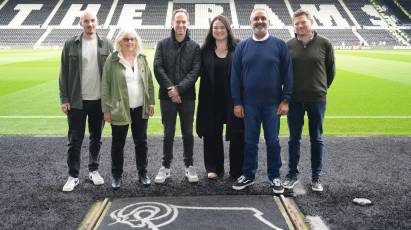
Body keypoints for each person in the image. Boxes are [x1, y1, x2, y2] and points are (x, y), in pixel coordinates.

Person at [230, 8, 293, 194]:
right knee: (250, 141)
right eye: (256, 19)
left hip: (273, 105)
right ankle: (248, 175)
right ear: (251, 22)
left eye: (263, 18)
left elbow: (288, 74)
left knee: (272, 141)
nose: (259, 21)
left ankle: (274, 177)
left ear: (269, 22)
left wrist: (286, 99)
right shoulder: (242, 47)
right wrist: (237, 102)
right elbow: (235, 77)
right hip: (249, 104)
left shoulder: (280, 45)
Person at [59, 10, 113, 192]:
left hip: (99, 100)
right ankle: (73, 176)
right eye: (86, 21)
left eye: (92, 21)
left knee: (96, 138)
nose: (90, 24)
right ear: (81, 24)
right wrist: (64, 98)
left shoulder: (106, 44)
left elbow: (113, 75)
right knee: (75, 140)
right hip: (76, 101)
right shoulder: (70, 44)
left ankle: (94, 170)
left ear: (97, 22)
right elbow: (63, 73)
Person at [284, 9, 335, 192]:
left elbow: (330, 72)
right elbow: (284, 74)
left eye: (302, 22)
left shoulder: (325, 44)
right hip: (295, 100)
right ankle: (292, 174)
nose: (299, 26)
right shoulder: (288, 45)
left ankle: (316, 177)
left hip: (317, 100)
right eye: (296, 23)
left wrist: (320, 89)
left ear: (311, 22)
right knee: (293, 139)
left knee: (317, 139)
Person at [101, 28, 155, 190]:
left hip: (140, 107)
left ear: (136, 41)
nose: (130, 42)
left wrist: (151, 102)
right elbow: (105, 86)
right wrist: (106, 109)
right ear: (120, 41)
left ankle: (143, 173)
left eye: (132, 39)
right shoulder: (112, 60)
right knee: (118, 144)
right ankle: (116, 176)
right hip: (119, 108)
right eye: (126, 39)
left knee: (141, 142)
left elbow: (149, 81)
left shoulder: (142, 58)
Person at [153, 8, 201, 183]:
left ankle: (189, 166)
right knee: (168, 133)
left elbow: (195, 71)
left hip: (187, 97)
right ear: (172, 24)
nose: (180, 25)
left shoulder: (195, 47)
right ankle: (165, 167)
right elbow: (158, 68)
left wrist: (179, 90)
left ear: (187, 24)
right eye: (177, 22)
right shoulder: (162, 44)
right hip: (167, 98)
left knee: (188, 133)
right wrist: (171, 90)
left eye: (183, 22)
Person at [196, 15, 244, 180]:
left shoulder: (238, 47)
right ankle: (214, 168)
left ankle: (237, 170)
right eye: (215, 27)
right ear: (211, 30)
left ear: (228, 29)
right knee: (211, 134)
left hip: (233, 99)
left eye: (222, 27)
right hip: (211, 100)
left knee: (237, 134)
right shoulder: (205, 50)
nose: (219, 30)